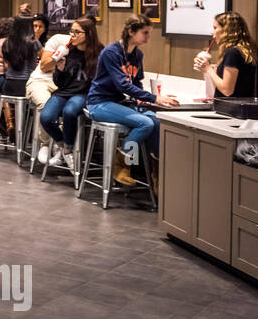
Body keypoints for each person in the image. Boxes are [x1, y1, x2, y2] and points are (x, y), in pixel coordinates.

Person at [88, 14, 179, 189]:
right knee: (144, 123)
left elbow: (136, 83)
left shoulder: (138, 55)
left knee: (156, 121)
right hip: (100, 102)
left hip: (121, 103)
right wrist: (154, 98)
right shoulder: (110, 53)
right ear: (131, 32)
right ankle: (122, 165)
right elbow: (123, 85)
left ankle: (156, 173)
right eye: (145, 33)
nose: (148, 37)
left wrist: (147, 101)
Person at [37, 17, 100, 171]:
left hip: (84, 93)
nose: (72, 35)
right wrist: (59, 68)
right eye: (71, 31)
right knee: (46, 117)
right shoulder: (67, 50)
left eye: (77, 32)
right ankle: (62, 145)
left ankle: (67, 151)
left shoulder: (99, 53)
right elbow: (59, 82)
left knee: (70, 111)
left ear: (88, 33)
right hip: (63, 92)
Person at [196, 11, 258, 98]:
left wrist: (208, 69)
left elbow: (227, 90)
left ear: (226, 30)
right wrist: (209, 68)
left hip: (232, 109)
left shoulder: (232, 53)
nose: (212, 32)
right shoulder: (241, 51)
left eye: (215, 28)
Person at [26, 21, 71, 115]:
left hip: (63, 86)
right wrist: (56, 59)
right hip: (40, 81)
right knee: (47, 107)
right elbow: (44, 66)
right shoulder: (59, 40)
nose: (73, 35)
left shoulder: (91, 49)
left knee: (70, 110)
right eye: (73, 32)